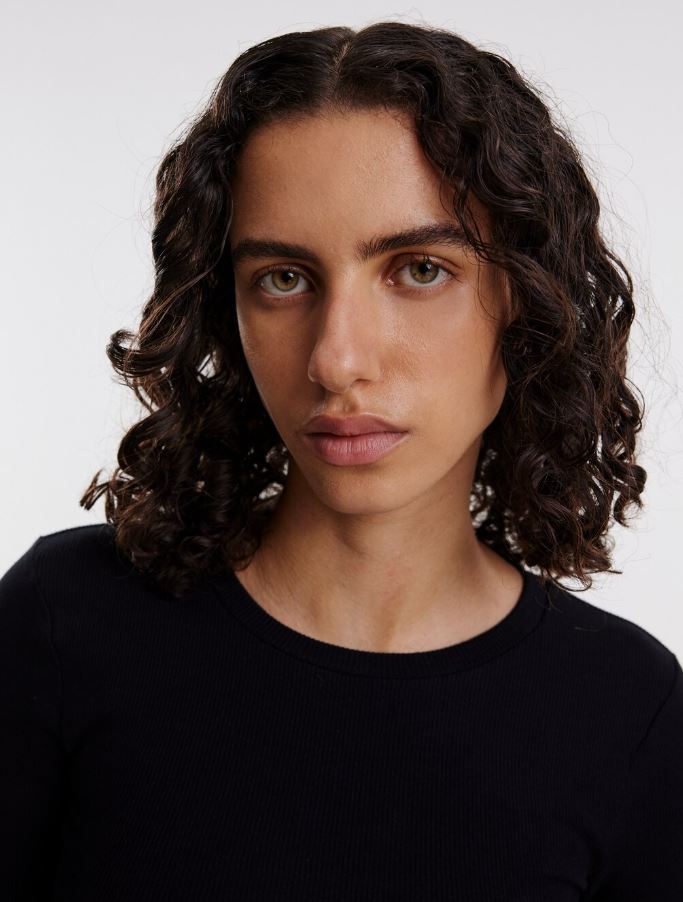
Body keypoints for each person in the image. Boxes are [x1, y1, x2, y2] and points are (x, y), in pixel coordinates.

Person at [1, 20, 681, 901]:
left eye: (418, 269)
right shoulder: (65, 624)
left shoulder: (627, 712)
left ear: (525, 298)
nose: (336, 359)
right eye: (282, 278)